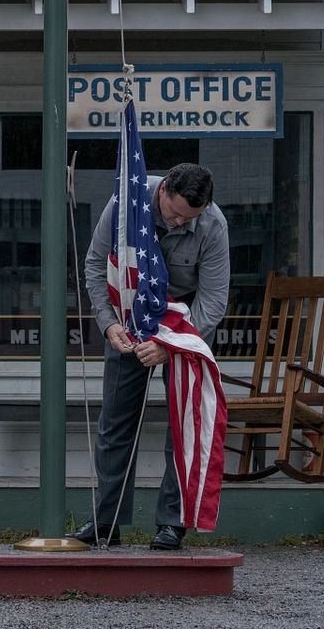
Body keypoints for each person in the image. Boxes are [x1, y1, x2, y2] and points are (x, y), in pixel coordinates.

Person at [71, 162, 229, 550]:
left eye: (187, 218)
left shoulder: (213, 224)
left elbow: (213, 299)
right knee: (115, 423)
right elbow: (95, 264)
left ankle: (172, 523)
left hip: (186, 324)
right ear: (162, 192)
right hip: (129, 316)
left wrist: (172, 343)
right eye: (174, 213)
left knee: (183, 423)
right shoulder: (125, 204)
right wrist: (109, 326)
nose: (178, 223)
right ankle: (105, 522)